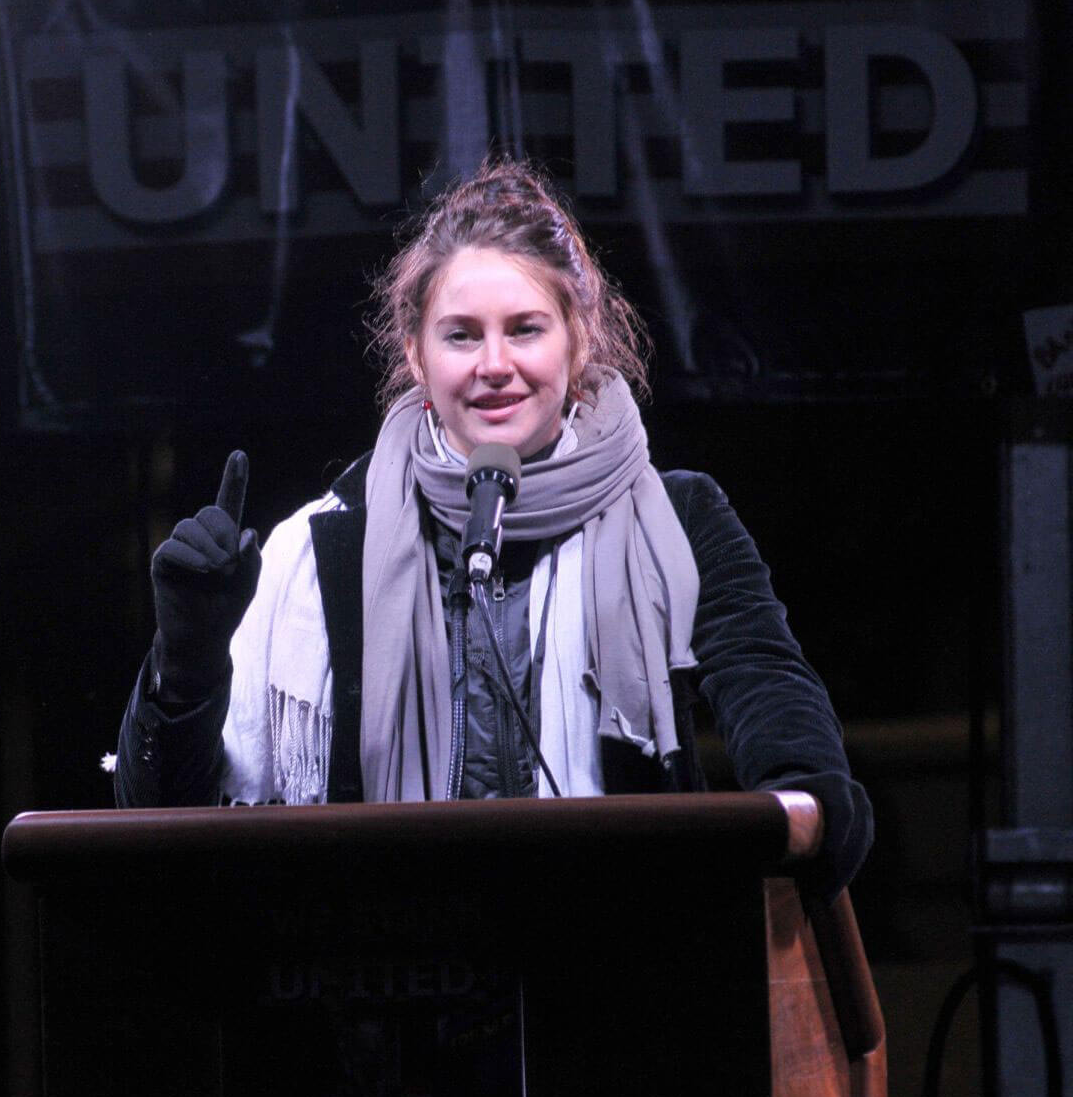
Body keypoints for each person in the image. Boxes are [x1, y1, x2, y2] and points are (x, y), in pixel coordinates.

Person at [114, 159, 871, 903]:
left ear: (576, 340)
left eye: (525, 329)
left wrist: (807, 818)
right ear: (416, 353)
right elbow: (154, 824)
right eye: (463, 335)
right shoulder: (318, 550)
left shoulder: (677, 520)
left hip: (618, 966)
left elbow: (779, 713)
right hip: (384, 981)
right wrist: (185, 667)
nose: (496, 364)